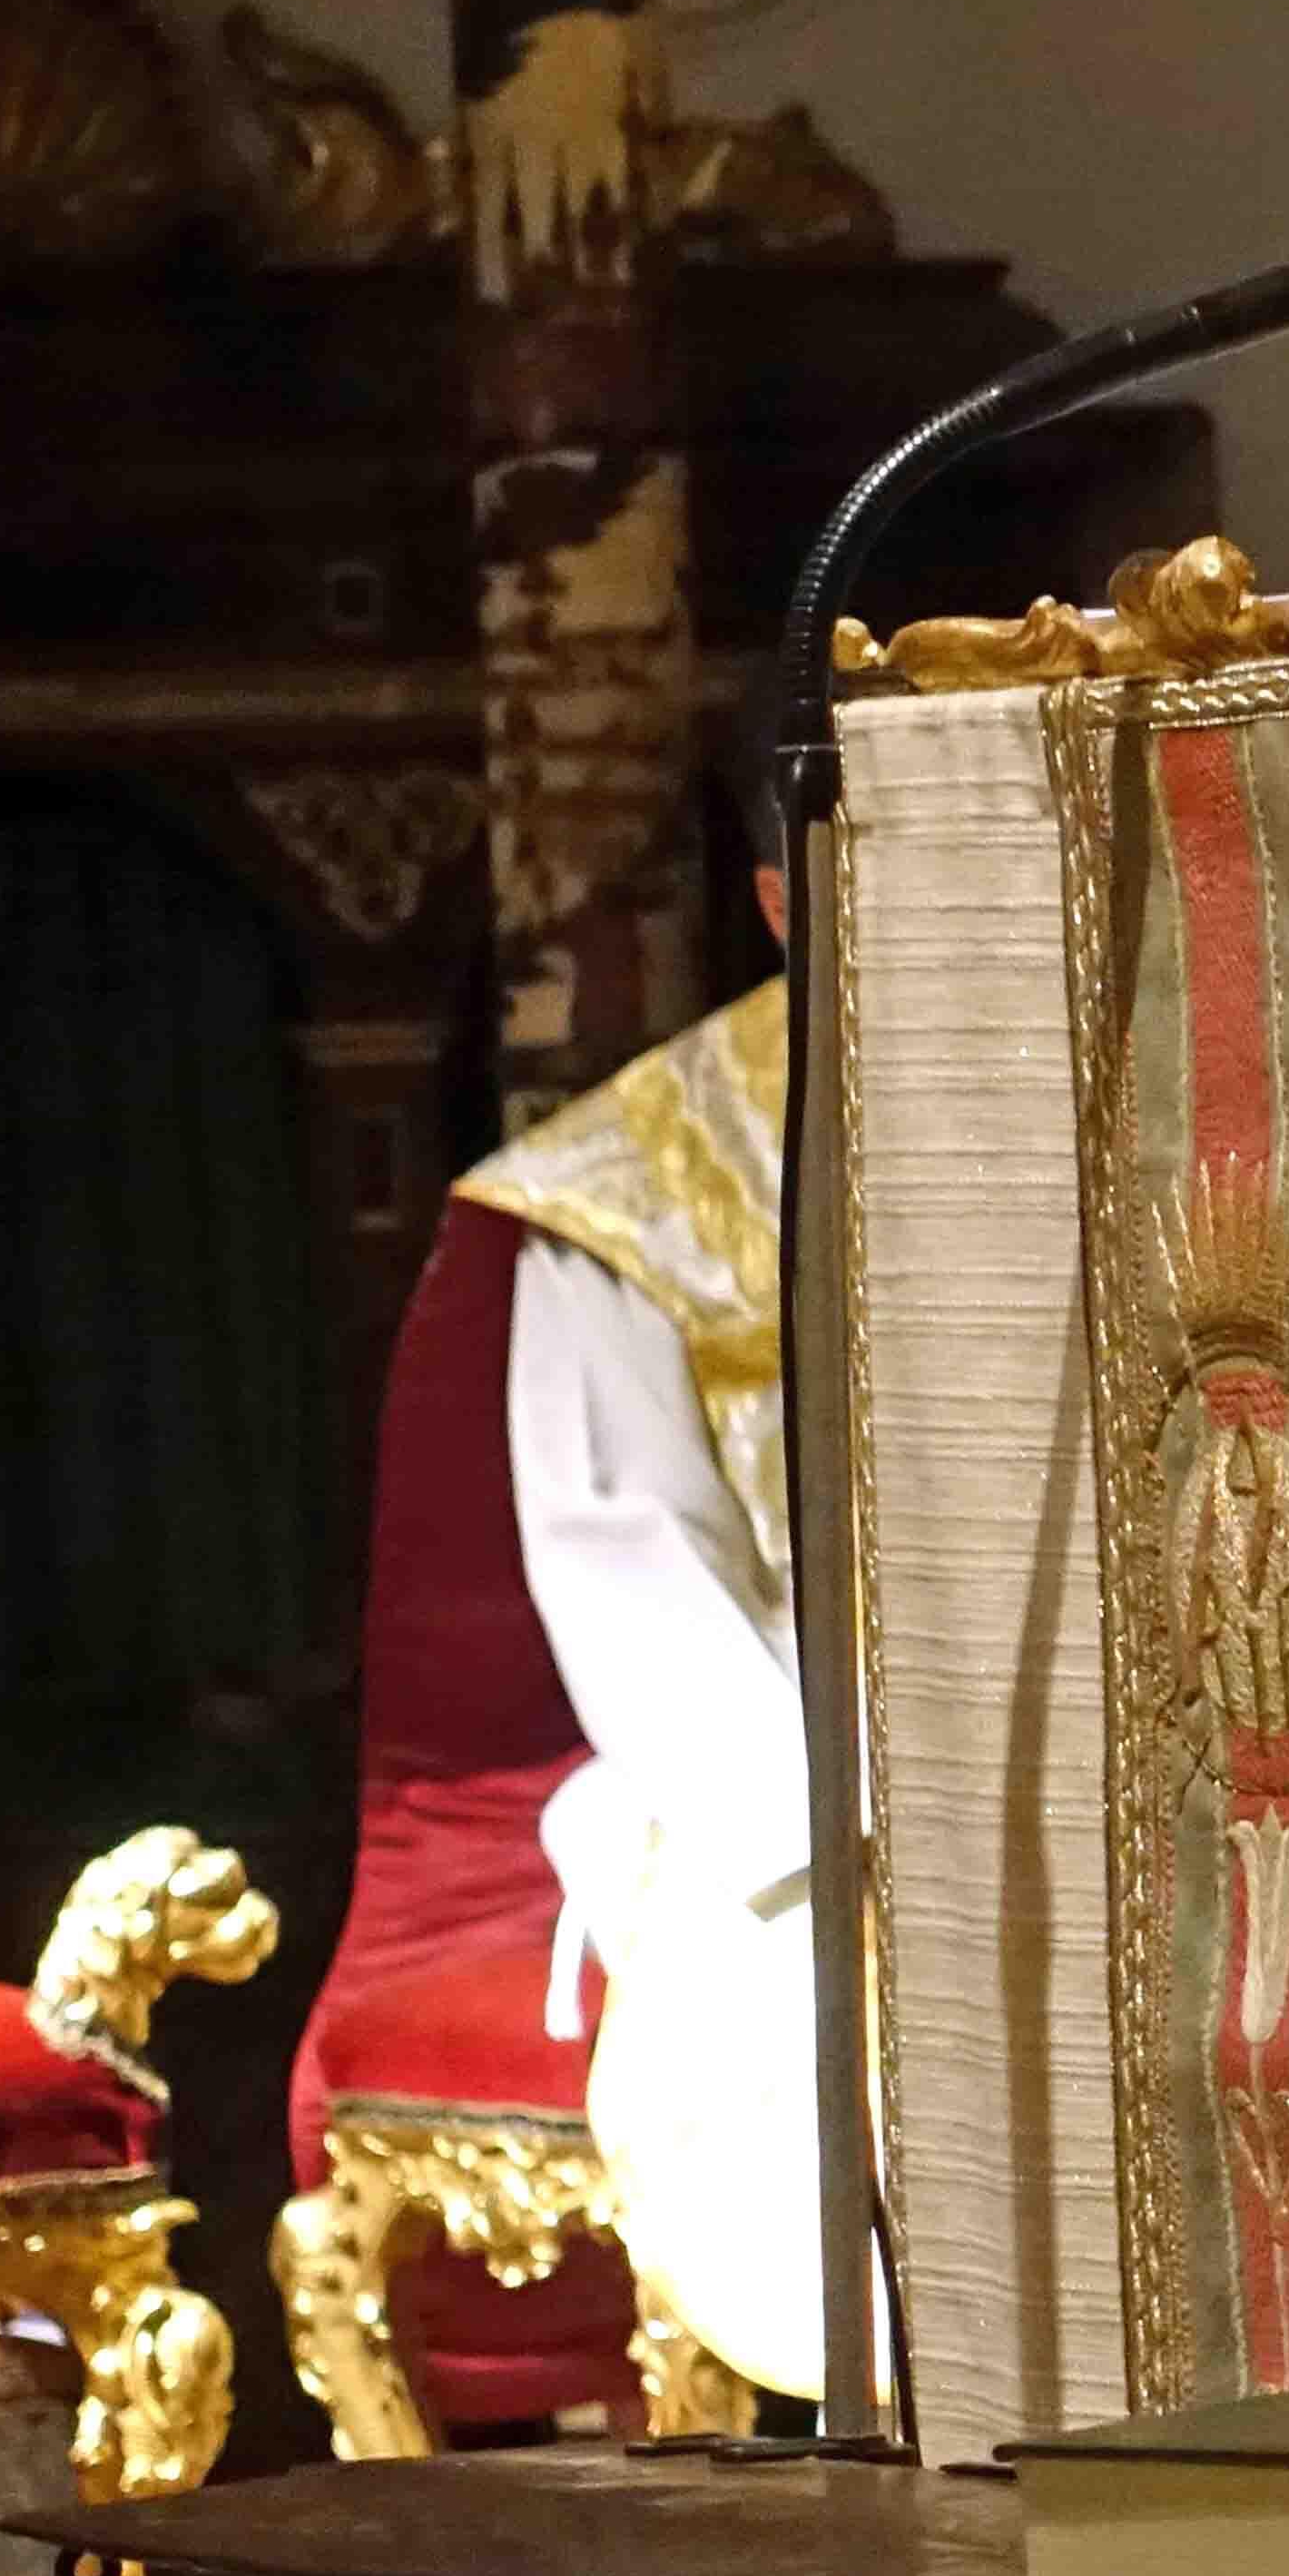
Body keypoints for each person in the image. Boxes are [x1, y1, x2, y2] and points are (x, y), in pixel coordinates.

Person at [449, 870, 821, 2402]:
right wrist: (837, 1864)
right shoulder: (637, 1188)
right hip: (805, 1790)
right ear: (786, 891)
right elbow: (633, 1580)